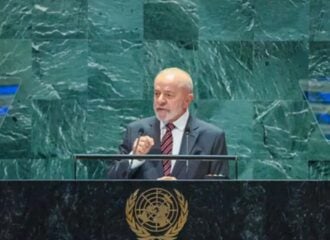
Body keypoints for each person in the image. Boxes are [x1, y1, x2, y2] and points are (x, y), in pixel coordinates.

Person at [108, 67, 228, 179]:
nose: (160, 100)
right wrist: (135, 158)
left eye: (168, 95)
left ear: (187, 100)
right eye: (157, 94)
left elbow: (221, 191)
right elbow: (111, 181)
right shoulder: (136, 130)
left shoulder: (212, 137)